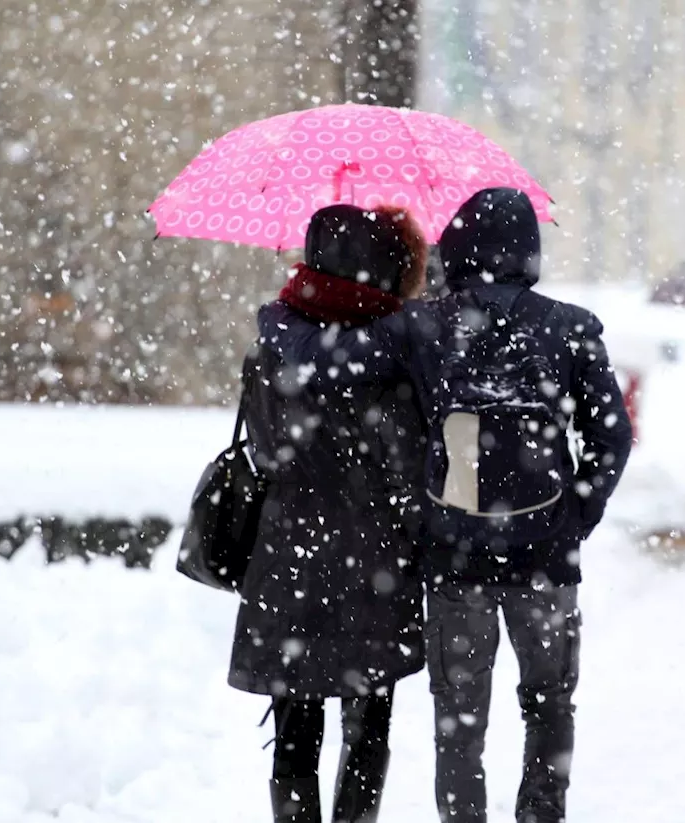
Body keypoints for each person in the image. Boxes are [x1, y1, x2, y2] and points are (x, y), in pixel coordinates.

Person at [259, 187, 634, 823]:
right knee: (549, 702)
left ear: (456, 248)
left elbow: (323, 364)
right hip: (546, 557)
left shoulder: (423, 325)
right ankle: (541, 812)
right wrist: (576, 517)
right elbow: (611, 436)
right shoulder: (570, 327)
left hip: (456, 555)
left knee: (460, 717)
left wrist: (279, 322)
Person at [229, 203, 429, 823]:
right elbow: (410, 466)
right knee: (368, 721)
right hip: (376, 562)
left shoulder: (273, 343)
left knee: (294, 729)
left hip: (290, 554)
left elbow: (263, 452)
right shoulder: (400, 355)